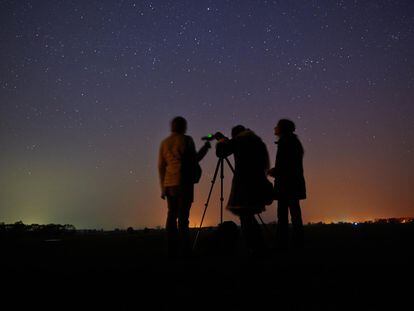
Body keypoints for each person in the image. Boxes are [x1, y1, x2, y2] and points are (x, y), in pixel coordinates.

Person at [158, 116, 211, 257]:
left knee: (171, 216)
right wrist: (206, 148)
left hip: (169, 185)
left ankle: (171, 249)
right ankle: (185, 250)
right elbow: (195, 160)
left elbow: (161, 166)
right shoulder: (187, 140)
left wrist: (162, 187)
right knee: (183, 219)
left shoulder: (165, 143)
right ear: (183, 127)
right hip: (184, 184)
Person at [216, 125, 270, 254]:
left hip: (245, 187)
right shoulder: (256, 141)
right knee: (248, 216)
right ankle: (258, 246)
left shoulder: (240, 141)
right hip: (257, 184)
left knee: (246, 217)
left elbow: (221, 152)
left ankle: (255, 248)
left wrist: (221, 140)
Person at [268, 119, 306, 249]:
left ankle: (283, 243)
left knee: (284, 215)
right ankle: (296, 242)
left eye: (277, 126)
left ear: (282, 128)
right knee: (294, 214)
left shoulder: (286, 142)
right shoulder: (292, 142)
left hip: (287, 185)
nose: (275, 128)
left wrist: (274, 171)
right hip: (292, 184)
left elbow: (286, 165)